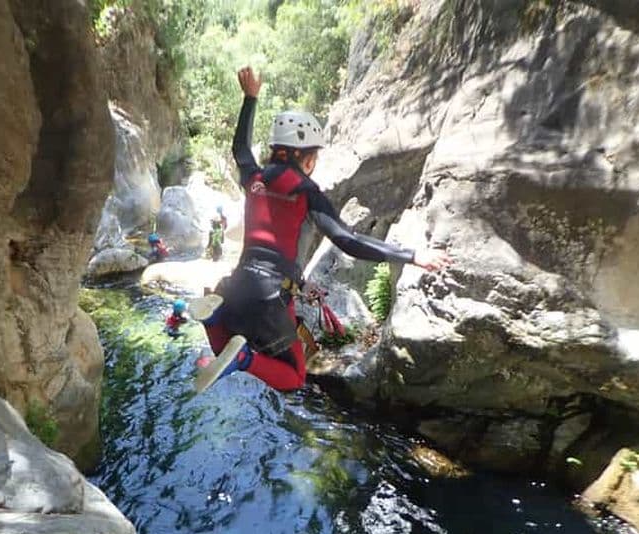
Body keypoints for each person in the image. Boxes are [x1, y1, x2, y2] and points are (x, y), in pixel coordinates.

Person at [189, 66, 451, 393]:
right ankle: (243, 358)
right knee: (293, 376)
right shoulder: (308, 194)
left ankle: (214, 318)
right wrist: (412, 255)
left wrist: (250, 98)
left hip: (234, 285)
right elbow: (349, 241)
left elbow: (240, 150)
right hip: (270, 297)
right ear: (307, 157)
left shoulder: (254, 180)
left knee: (221, 350)